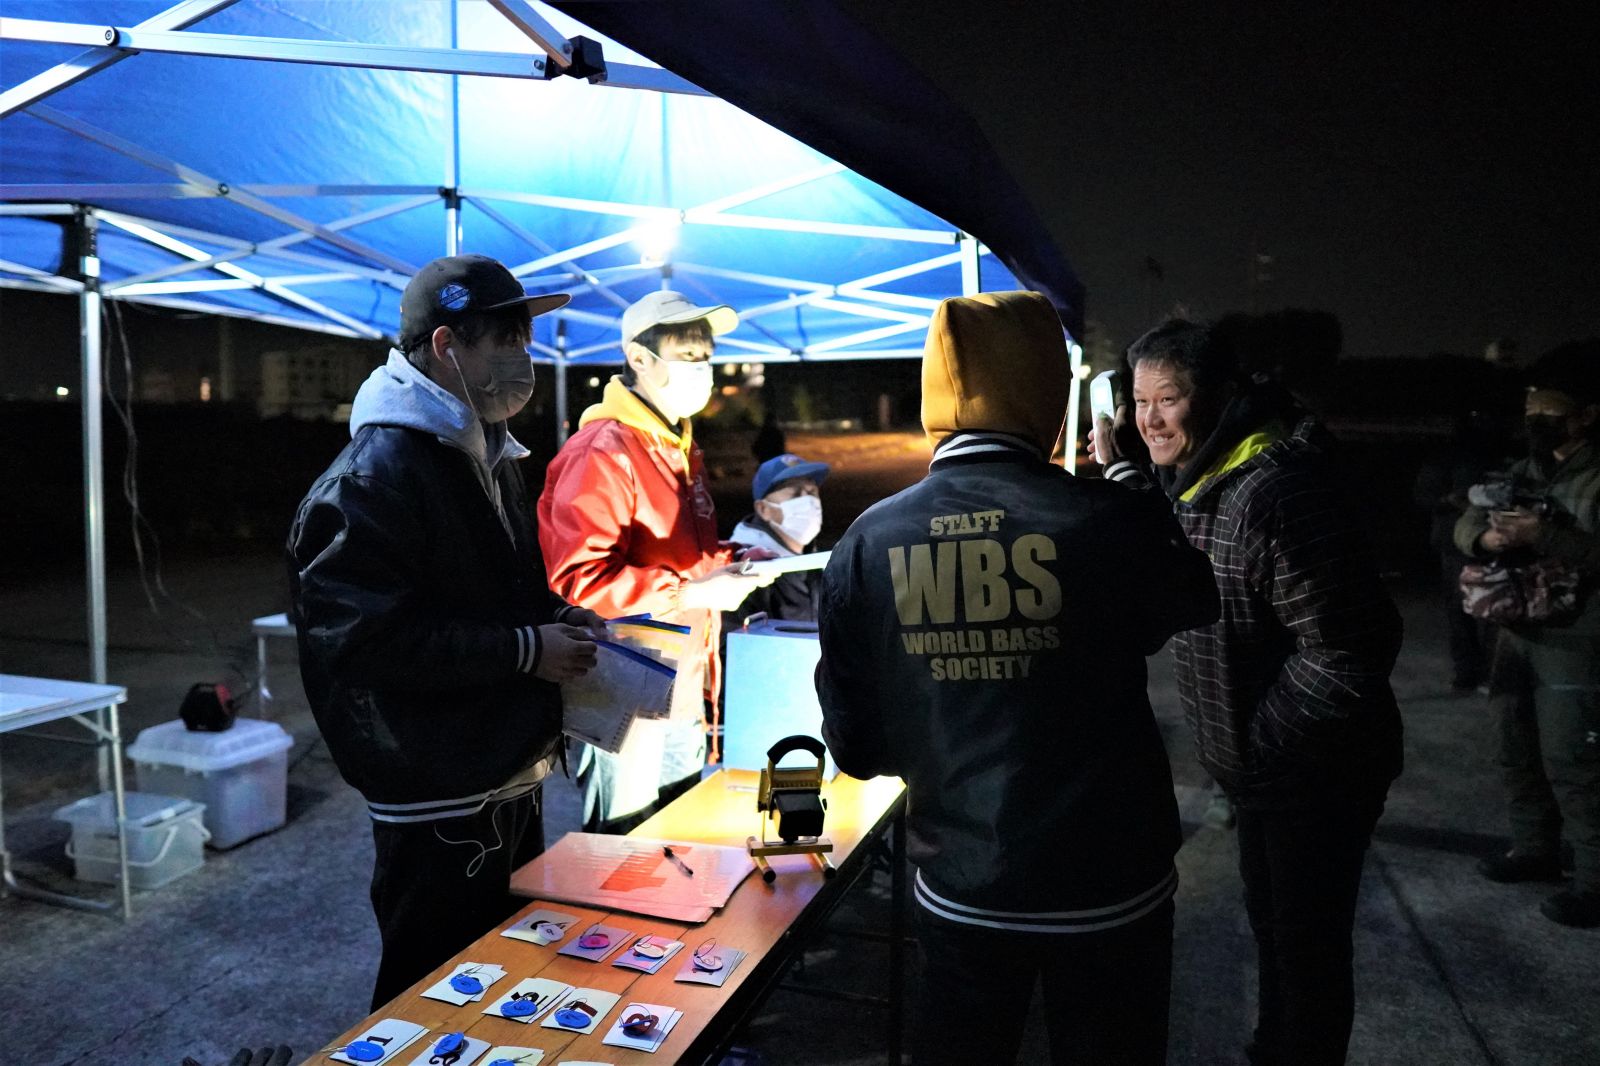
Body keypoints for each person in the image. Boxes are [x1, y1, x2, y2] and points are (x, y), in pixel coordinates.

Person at [816, 291, 1219, 1066]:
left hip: (963, 881)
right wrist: (1135, 486)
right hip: (1109, 885)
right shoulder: (1104, 517)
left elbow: (858, 747)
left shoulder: (868, 541)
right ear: (1047, 398)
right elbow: (1194, 597)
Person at [287, 254, 605, 1009]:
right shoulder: (375, 474)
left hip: (502, 768)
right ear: (445, 345)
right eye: (506, 339)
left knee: (506, 982)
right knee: (430, 995)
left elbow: (489, 590)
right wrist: (526, 650)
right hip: (434, 791)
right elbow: (362, 641)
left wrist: (553, 616)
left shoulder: (485, 451)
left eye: (525, 338)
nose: (523, 358)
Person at [1094, 313, 1404, 1066]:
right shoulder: (1201, 479)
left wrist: (1261, 744)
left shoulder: (1271, 491)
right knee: (1274, 930)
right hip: (1263, 774)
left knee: (1307, 946)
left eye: (1167, 400)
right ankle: (1275, 1047)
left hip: (1316, 770)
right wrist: (1125, 476)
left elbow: (1353, 647)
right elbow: (1167, 555)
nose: (1149, 420)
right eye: (1138, 402)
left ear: (1217, 396)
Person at [538, 290, 774, 834]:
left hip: (684, 685)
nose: (702, 368)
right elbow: (577, 580)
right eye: (687, 355)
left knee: (680, 840)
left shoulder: (677, 446)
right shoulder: (604, 450)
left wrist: (737, 558)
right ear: (639, 359)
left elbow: (679, 554)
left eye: (706, 355)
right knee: (623, 851)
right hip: (622, 691)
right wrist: (690, 593)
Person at [1455, 340, 1600, 929]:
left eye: (1551, 413)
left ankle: (1594, 881)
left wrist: (1543, 535)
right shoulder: (1522, 472)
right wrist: (1486, 538)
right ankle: (1535, 848)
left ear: (1586, 416)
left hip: (1577, 639)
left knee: (1575, 760)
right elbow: (1468, 520)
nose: (1537, 422)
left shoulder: (1594, 479)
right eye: (1530, 412)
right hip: (1517, 631)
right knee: (1515, 746)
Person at [729, 452, 831, 623]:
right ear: (763, 509)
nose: (808, 501)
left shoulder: (813, 560)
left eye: (812, 492)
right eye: (795, 494)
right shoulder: (744, 568)